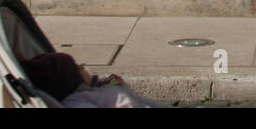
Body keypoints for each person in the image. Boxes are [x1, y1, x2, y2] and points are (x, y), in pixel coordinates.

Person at [20, 52, 166, 108]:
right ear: (71, 78)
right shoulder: (76, 101)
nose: (83, 67)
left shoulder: (95, 87)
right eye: (78, 67)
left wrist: (113, 82)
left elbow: (139, 99)